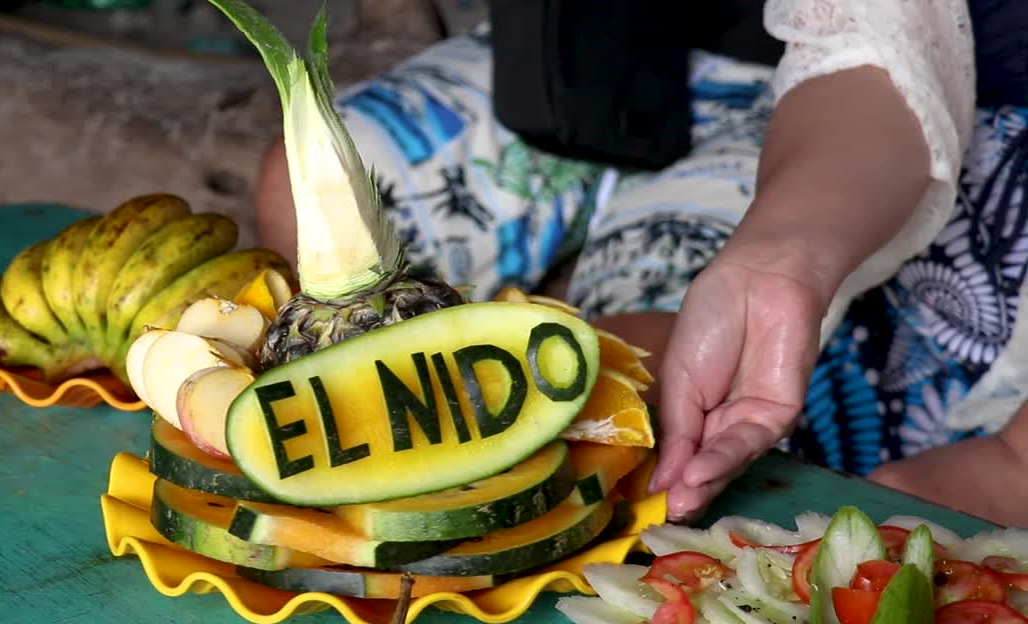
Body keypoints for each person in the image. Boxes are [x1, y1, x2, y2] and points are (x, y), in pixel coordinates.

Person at [253, 0, 1028, 528]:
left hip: (944, 115)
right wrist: (778, 254)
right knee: (310, 191)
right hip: (620, 50)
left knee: (632, 348)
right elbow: (871, 29)